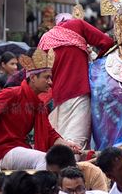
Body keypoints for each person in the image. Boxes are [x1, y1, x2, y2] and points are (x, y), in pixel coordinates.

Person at [0, 49, 79, 170]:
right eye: (47, 77)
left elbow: (49, 133)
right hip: (2, 151)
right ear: (33, 77)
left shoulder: (38, 104)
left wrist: (67, 145)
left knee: (62, 160)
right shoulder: (12, 94)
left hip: (19, 147)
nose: (50, 82)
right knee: (45, 160)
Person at [37, 13, 115, 149]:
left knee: (56, 144)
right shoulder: (78, 24)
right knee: (77, 145)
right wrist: (95, 62)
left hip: (53, 100)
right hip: (79, 93)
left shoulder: (44, 39)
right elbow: (107, 42)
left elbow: (36, 73)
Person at [45, 145, 109, 192]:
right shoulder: (46, 180)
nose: (52, 178)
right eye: (50, 173)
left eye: (56, 174)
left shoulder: (93, 172)